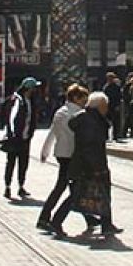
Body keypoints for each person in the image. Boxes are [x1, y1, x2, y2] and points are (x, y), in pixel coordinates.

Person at [51, 94, 122, 239]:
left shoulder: (89, 118)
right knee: (78, 195)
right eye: (105, 106)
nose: (107, 109)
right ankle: (56, 221)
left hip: (88, 163)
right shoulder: (91, 121)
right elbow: (90, 146)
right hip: (89, 165)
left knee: (101, 194)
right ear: (98, 106)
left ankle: (107, 224)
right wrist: (95, 167)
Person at [37, 85, 98, 232]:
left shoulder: (60, 111)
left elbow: (52, 132)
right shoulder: (78, 114)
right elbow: (76, 137)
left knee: (67, 187)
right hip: (72, 155)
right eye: (83, 99)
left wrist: (45, 151)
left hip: (61, 154)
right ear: (75, 98)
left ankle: (88, 219)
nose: (85, 102)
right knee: (74, 189)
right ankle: (46, 218)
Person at [3, 77, 40, 199]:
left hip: (25, 138)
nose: (36, 90)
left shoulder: (30, 101)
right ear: (28, 88)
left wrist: (29, 134)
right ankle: (7, 186)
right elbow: (12, 118)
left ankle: (21, 186)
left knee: (23, 163)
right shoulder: (18, 100)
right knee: (11, 162)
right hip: (16, 138)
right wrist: (13, 134)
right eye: (34, 88)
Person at [101, 73, 124, 142]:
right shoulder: (105, 87)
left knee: (116, 122)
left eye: (111, 78)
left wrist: (118, 105)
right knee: (105, 122)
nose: (110, 79)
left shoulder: (116, 87)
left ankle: (116, 136)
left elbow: (119, 97)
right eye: (108, 78)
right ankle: (106, 136)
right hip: (107, 106)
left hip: (114, 106)